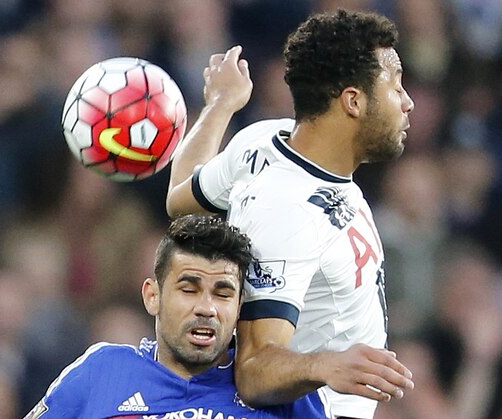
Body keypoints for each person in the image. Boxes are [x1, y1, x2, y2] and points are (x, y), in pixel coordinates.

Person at [166, 9, 415, 419]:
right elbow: (253, 370)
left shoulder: (264, 139)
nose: (408, 102)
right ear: (353, 101)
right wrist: (324, 364)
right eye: (396, 85)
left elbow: (179, 201)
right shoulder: (288, 211)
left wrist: (221, 106)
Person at [24, 215, 330, 418]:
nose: (206, 308)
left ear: (239, 308)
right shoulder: (101, 371)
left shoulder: (279, 389)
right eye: (189, 289)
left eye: (222, 293)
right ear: (152, 296)